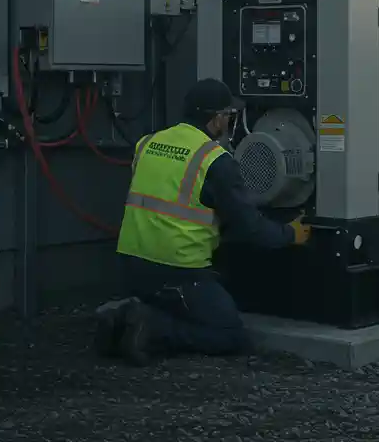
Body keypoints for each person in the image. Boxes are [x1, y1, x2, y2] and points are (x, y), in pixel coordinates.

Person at [93, 78, 311, 365]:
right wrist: (290, 234)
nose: (230, 122)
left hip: (132, 267)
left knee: (205, 289)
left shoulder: (147, 143)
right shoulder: (214, 161)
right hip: (179, 273)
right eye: (229, 116)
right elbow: (251, 227)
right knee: (230, 335)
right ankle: (153, 329)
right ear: (217, 119)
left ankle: (125, 319)